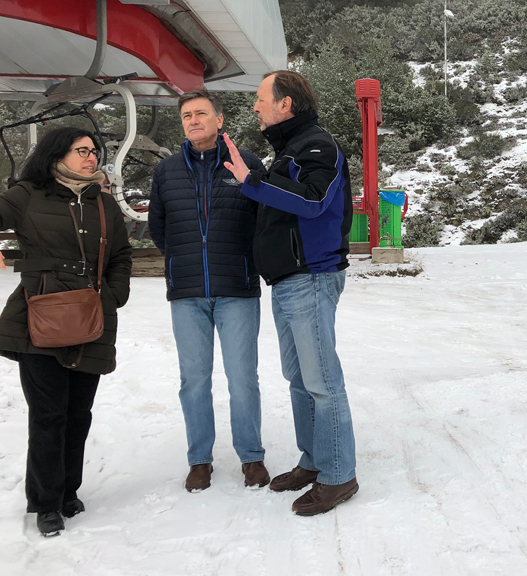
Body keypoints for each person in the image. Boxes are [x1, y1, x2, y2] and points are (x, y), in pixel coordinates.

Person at [221, 70, 357, 516]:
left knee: (322, 384)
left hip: (312, 277)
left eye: (262, 99)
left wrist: (254, 181)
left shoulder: (318, 145)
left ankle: (339, 475)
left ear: (286, 105)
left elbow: (315, 200)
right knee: (300, 382)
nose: (256, 106)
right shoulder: (289, 151)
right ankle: (314, 461)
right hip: (288, 281)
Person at [0, 127, 132, 536]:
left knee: (78, 414)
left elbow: (122, 255)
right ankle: (46, 503)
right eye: (82, 151)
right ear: (57, 154)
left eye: (95, 151)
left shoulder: (104, 204)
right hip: (40, 319)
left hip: (92, 319)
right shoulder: (27, 194)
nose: (91, 157)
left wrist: (112, 295)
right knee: (48, 415)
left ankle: (68, 491)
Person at [149, 89, 270, 492]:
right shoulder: (166, 171)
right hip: (186, 292)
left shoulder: (246, 164)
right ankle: (199, 459)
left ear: (220, 121)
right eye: (187, 115)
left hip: (236, 288)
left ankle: (251, 457)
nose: (194, 120)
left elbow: (261, 221)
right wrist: (182, 261)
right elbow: (159, 228)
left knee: (242, 377)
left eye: (201, 113)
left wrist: (241, 262)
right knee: (194, 380)